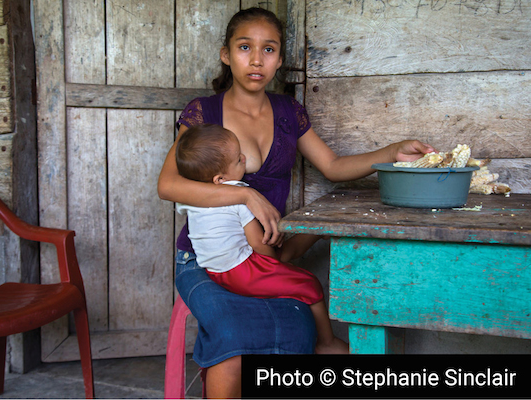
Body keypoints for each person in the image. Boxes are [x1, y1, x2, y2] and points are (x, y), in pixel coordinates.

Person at [158, 7, 435, 398]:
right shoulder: (205, 112)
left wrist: (391, 151)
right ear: (226, 54)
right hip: (205, 260)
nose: (256, 60)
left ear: (280, 60)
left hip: (264, 257)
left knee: (298, 325)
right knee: (233, 336)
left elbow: (334, 166)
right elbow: (168, 185)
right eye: (244, 47)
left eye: (268, 49)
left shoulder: (289, 112)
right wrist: (244, 192)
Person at [175, 123, 350, 355]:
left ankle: (316, 231)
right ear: (219, 179)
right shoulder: (238, 196)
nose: (244, 159)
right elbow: (258, 243)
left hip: (213, 271)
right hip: (242, 272)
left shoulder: (192, 198)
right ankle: (327, 344)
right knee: (310, 284)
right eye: (238, 160)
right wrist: (273, 264)